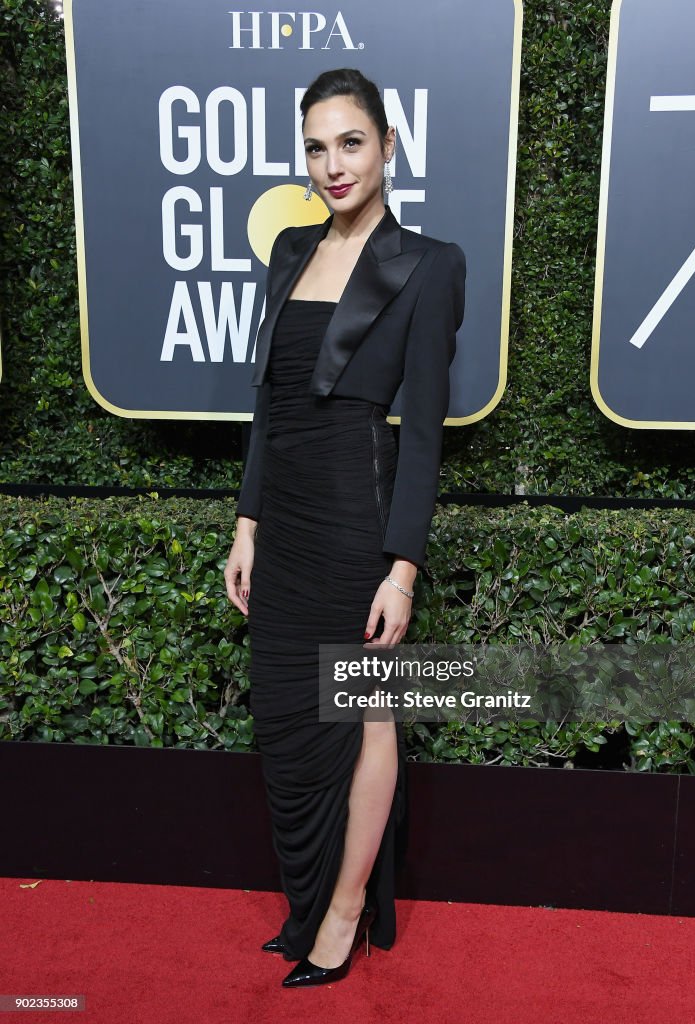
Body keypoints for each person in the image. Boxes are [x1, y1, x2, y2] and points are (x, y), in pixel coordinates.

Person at [224, 68, 466, 988]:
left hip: (359, 525)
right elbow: (270, 408)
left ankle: (347, 907)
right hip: (283, 522)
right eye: (317, 146)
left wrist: (400, 568)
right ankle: (308, 895)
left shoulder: (428, 263)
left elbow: (427, 431)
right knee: (289, 723)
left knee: (366, 712)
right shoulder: (287, 250)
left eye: (351, 142)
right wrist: (246, 522)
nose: (333, 164)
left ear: (388, 145)